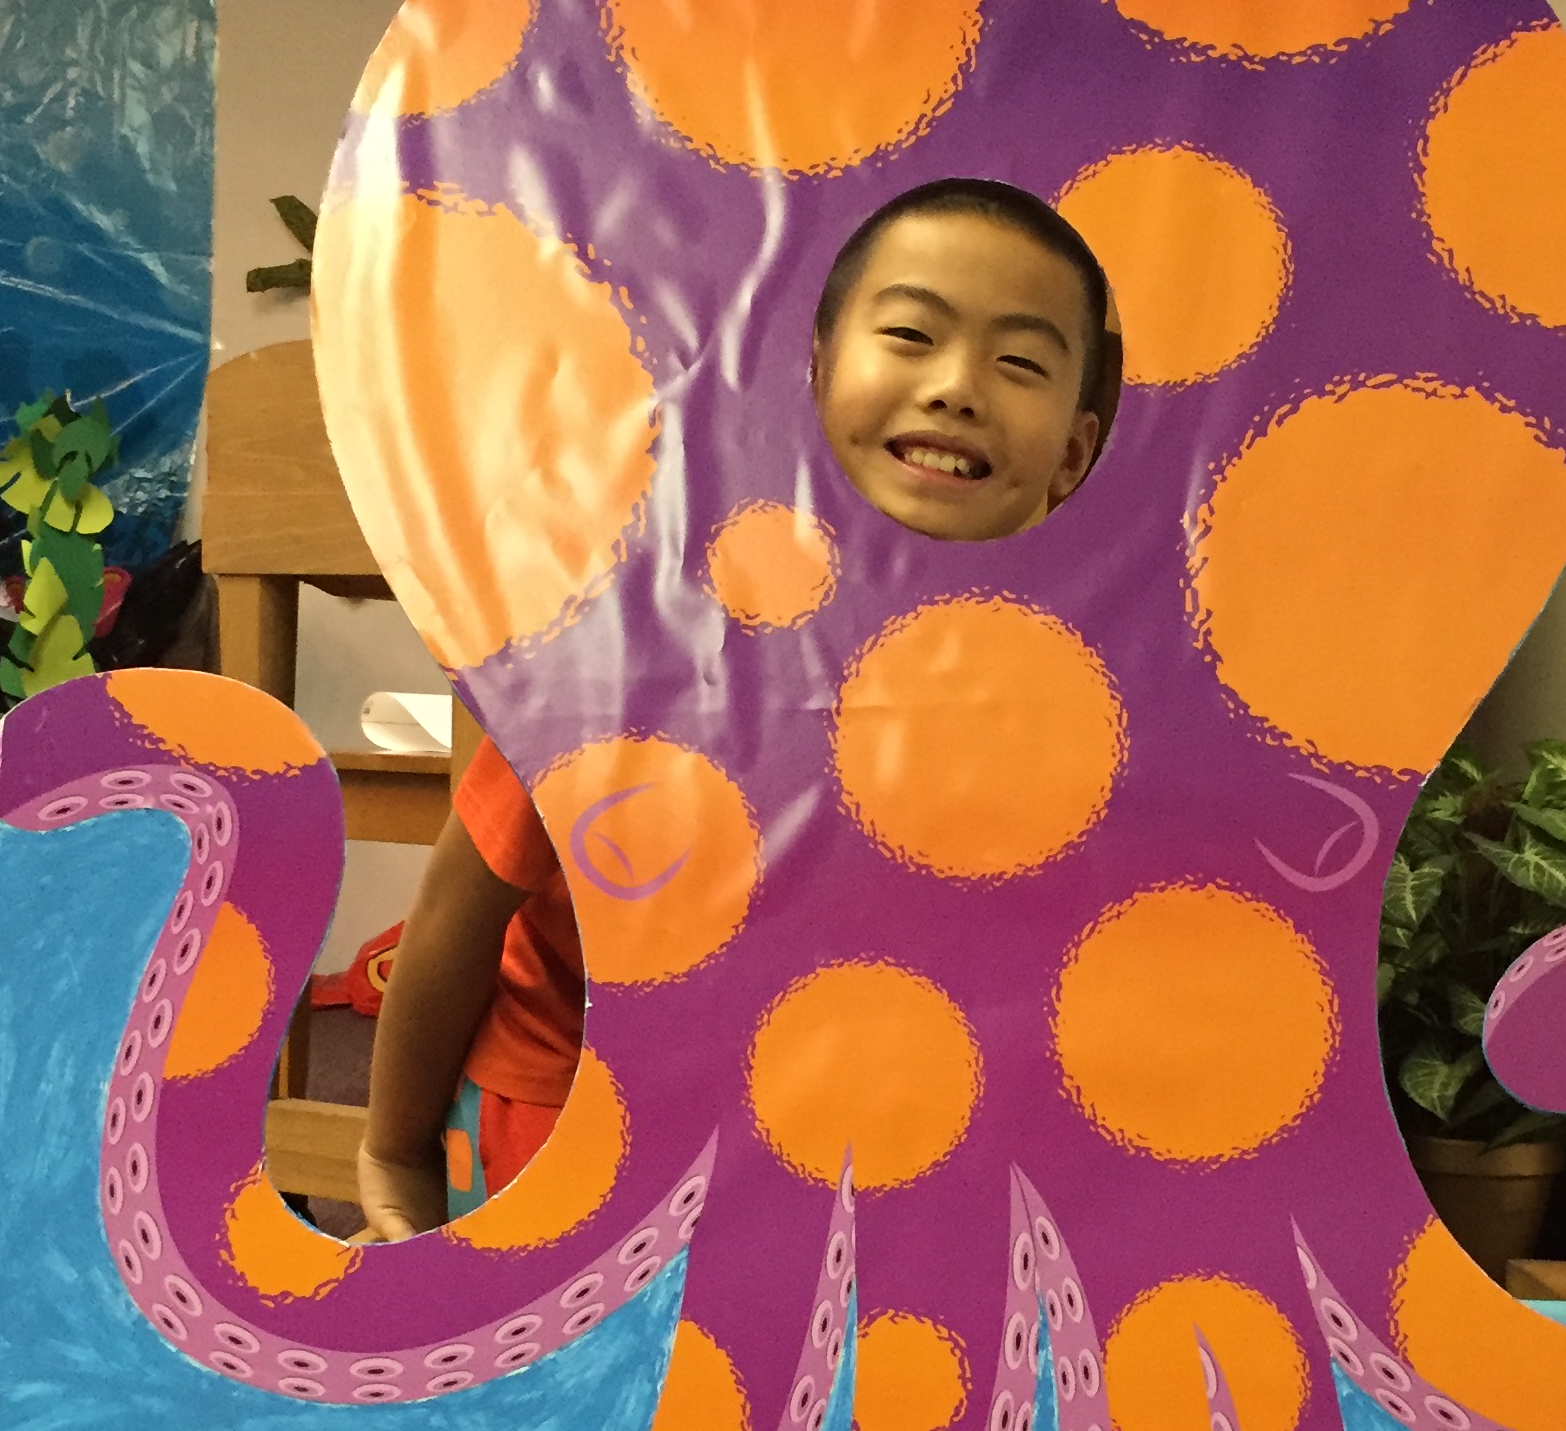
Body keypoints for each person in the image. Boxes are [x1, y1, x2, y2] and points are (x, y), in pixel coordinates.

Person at [353, 179, 1116, 1240]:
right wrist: (392, 1154)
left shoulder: (1074, 695)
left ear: (1074, 452)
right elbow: (459, 910)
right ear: (817, 372)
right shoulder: (643, 639)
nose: (956, 388)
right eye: (910, 335)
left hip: (843, 1153)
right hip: (570, 1126)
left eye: (1020, 363)